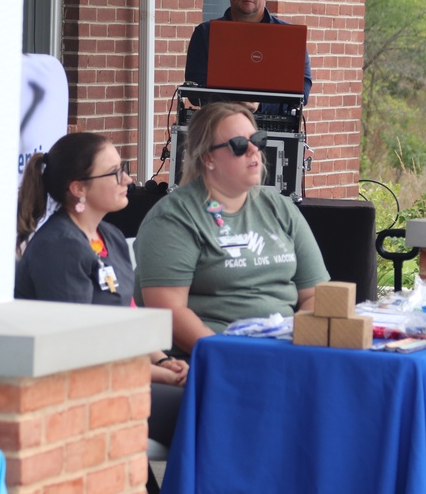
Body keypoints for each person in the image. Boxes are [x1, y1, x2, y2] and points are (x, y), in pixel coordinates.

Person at [13, 132, 189, 485]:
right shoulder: (59, 247)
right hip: (82, 388)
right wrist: (155, 374)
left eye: (123, 169)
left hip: (123, 376)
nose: (128, 179)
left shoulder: (108, 235)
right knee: (203, 410)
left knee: (210, 395)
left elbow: (128, 312)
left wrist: (161, 359)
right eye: (115, 172)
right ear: (78, 189)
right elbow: (78, 350)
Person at [136, 102, 330, 355]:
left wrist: (299, 346)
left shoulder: (281, 208)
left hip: (284, 350)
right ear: (208, 157)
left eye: (258, 140)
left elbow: (317, 294)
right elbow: (170, 313)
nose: (254, 150)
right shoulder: (174, 218)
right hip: (212, 360)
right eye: (239, 144)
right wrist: (230, 357)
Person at [184, 0, 313, 113]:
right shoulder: (205, 34)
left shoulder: (290, 38)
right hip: (218, 127)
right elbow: (194, 90)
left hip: (274, 133)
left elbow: (302, 92)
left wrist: (260, 106)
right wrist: (233, 101)